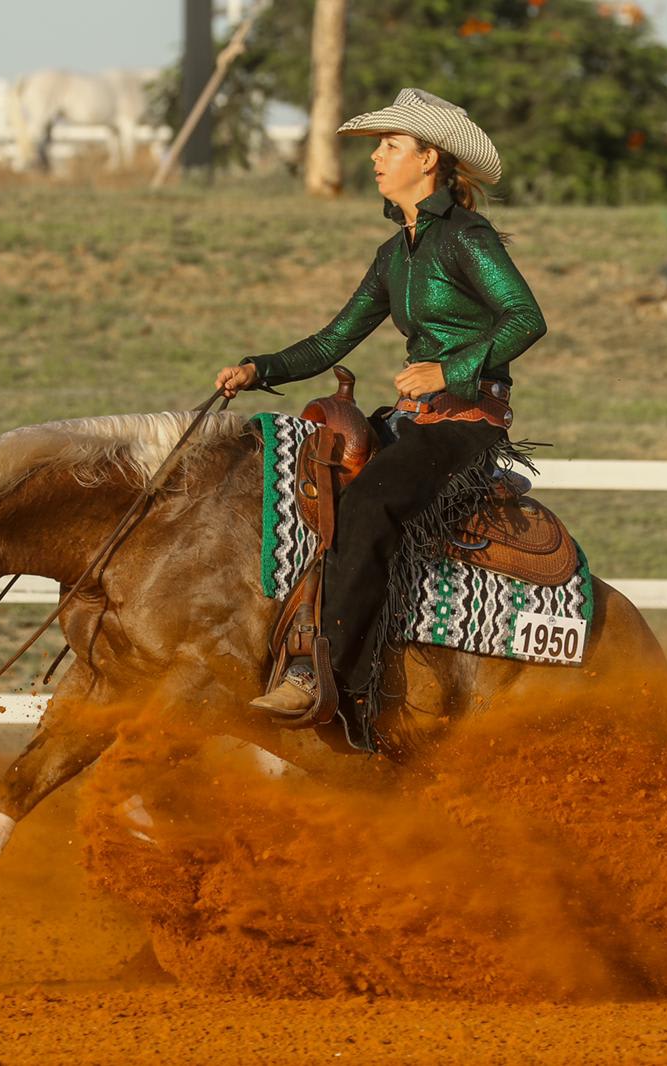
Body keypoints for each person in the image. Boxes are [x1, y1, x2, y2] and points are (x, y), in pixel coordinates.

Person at [214, 87, 547, 724]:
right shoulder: (394, 254)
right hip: (410, 421)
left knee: (368, 506)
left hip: (465, 426)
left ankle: (324, 679)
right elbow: (334, 340)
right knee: (299, 489)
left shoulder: (466, 238)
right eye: (379, 147)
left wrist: (451, 370)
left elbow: (526, 318)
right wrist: (260, 368)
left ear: (429, 159)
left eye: (391, 146)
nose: (376, 159)